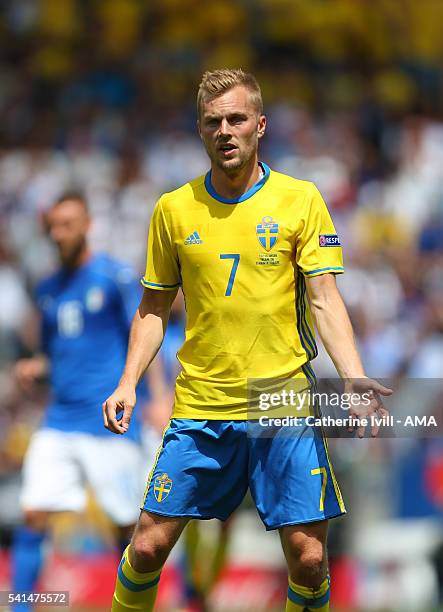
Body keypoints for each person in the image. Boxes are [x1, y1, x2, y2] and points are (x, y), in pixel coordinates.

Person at [104, 69, 392, 612]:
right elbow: (153, 307)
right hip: (201, 404)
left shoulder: (300, 200)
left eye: (237, 119)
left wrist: (353, 377)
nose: (225, 130)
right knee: (146, 546)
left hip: (280, 400)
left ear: (260, 125)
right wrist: (128, 383)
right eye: (213, 121)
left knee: (309, 558)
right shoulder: (173, 209)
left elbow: (325, 300)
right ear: (200, 130)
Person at [11, 193, 161, 610]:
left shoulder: (114, 277)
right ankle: (20, 605)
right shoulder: (47, 289)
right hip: (59, 419)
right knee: (33, 514)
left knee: (126, 529)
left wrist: (159, 397)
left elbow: (145, 334)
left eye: (68, 224)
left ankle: (131, 605)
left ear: (87, 225)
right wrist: (35, 368)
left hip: (107, 421)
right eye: (54, 226)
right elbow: (55, 354)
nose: (60, 234)